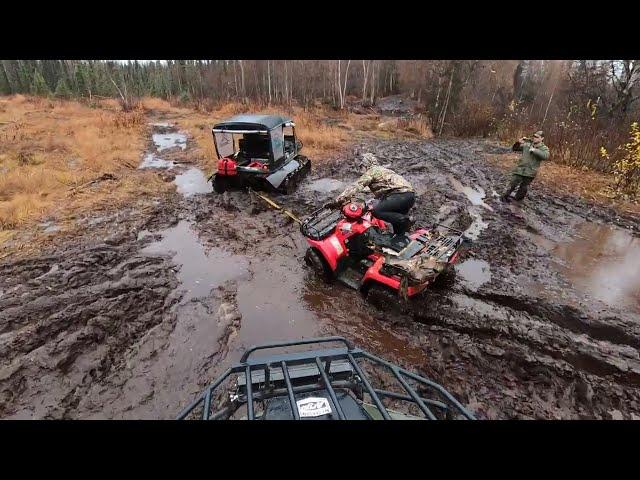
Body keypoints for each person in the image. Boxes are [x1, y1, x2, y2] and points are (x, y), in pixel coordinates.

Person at [326, 153, 416, 235]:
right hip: (409, 196)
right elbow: (378, 188)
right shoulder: (384, 171)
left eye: (362, 167)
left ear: (366, 164)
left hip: (399, 195)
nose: (362, 170)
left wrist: (337, 201)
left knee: (377, 211)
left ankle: (406, 220)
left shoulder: (372, 171)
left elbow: (356, 186)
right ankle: (400, 241)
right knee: (396, 223)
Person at [501, 130, 550, 202]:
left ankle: (517, 201)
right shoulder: (527, 144)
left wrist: (534, 150)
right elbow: (515, 149)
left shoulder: (544, 148)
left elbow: (546, 156)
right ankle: (504, 197)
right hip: (520, 169)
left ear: (542, 138)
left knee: (523, 188)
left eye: (537, 137)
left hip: (530, 171)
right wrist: (518, 142)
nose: (534, 138)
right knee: (512, 183)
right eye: (534, 136)